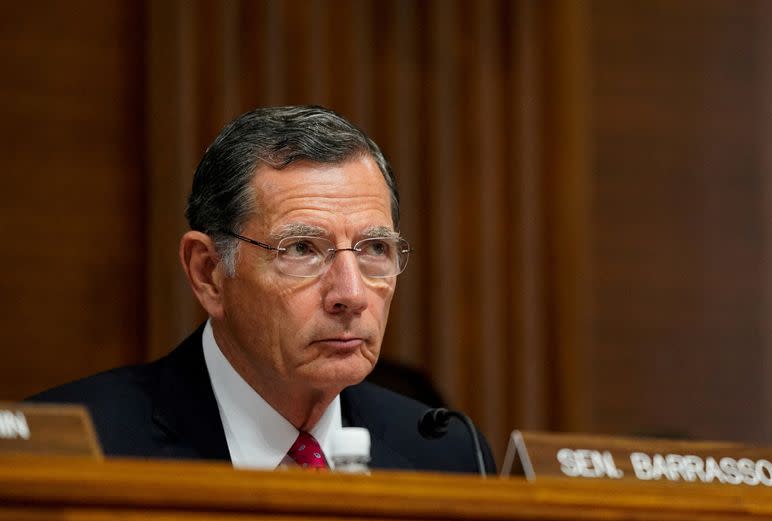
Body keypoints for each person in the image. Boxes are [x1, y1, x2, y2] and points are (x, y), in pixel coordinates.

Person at [30, 105, 495, 474]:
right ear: (209, 272)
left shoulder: (447, 454)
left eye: (375, 247)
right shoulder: (77, 447)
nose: (351, 294)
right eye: (300, 249)